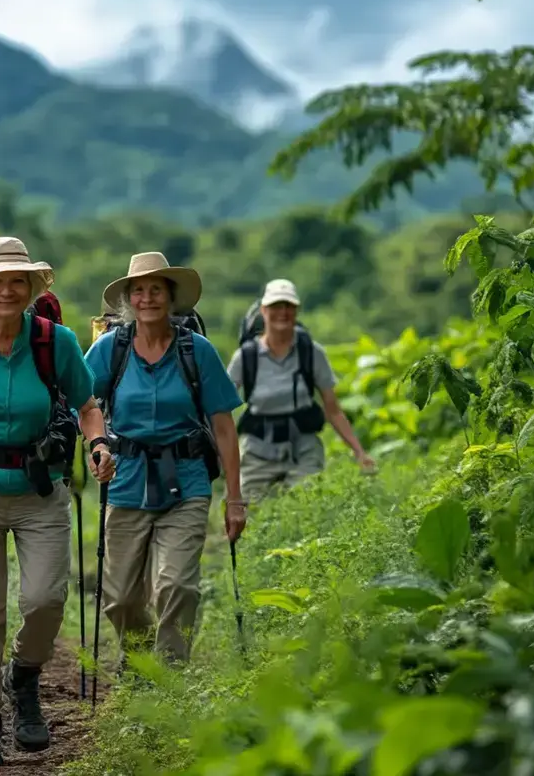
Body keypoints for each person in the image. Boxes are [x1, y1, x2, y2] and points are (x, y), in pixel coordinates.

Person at [0, 236, 114, 768]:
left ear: (31, 289)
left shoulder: (57, 342)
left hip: (39, 489)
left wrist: (98, 444)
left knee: (45, 600)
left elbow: (87, 405)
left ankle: (24, 677)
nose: (6, 290)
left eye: (16, 281)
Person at [85, 252, 246, 666]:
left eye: (156, 289)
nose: (148, 298)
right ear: (128, 300)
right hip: (126, 480)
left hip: (187, 479)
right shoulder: (110, 350)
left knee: (177, 586)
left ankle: (169, 678)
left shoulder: (197, 351)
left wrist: (234, 498)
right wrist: (98, 445)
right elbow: (83, 403)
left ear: (171, 297)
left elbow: (224, 426)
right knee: (119, 598)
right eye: (139, 290)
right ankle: (137, 661)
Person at [227, 278, 375, 502]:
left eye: (289, 306)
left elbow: (332, 409)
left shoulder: (311, 352)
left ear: (297, 311)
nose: (283, 313)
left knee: (306, 507)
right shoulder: (246, 357)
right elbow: (221, 407)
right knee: (248, 513)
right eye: (276, 306)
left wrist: (359, 452)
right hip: (258, 449)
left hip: (304, 449)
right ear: (264, 311)